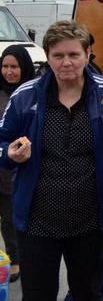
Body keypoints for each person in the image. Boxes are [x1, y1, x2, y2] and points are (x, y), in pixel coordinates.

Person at [0, 20, 103, 301]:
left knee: (88, 293)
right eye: (58, 56)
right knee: (37, 295)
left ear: (88, 54)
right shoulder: (25, 96)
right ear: (47, 56)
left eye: (74, 55)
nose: (66, 63)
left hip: (91, 221)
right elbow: (1, 141)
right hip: (36, 221)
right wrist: (9, 154)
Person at [0, 45, 36, 284]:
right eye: (5, 66)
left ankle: (16, 259)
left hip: (19, 166)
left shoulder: (31, 93)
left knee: (11, 216)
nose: (9, 72)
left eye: (14, 67)